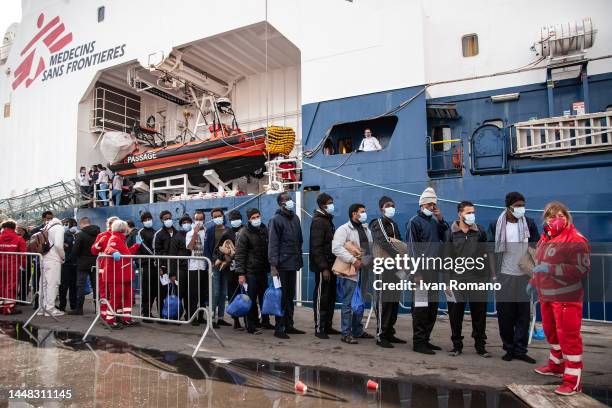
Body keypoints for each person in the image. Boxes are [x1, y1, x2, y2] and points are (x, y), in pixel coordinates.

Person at [531, 202, 590, 396]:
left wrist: (552, 269)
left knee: (568, 337)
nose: (555, 219)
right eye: (550, 216)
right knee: (552, 332)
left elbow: (581, 269)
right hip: (547, 295)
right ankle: (556, 366)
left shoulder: (575, 239)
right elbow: (541, 263)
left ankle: (573, 381)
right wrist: (534, 281)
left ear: (567, 217)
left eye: (559, 215)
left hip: (566, 297)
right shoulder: (546, 237)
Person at [488, 191, 539, 364]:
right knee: (506, 315)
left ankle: (520, 350)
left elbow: (535, 249)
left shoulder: (529, 224)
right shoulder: (496, 224)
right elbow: (490, 252)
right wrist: (494, 276)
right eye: (518, 206)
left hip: (524, 276)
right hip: (504, 276)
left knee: (523, 315)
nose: (521, 209)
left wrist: (535, 273)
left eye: (523, 205)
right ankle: (508, 348)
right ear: (509, 207)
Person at [444, 201, 490, 358]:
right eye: (468, 212)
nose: (472, 215)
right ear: (460, 214)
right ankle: (457, 345)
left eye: (473, 212)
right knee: (455, 315)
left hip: (477, 280)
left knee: (480, 314)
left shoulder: (480, 231)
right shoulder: (450, 233)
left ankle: (480, 346)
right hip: (457, 280)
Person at [406, 187, 449, 354]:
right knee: (421, 308)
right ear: (423, 204)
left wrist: (441, 219)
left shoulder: (433, 222)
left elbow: (445, 236)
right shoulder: (414, 222)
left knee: (432, 307)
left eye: (434, 204)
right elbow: (412, 250)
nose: (433, 207)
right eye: (431, 204)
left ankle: (426, 339)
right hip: (421, 274)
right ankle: (418, 342)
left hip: (433, 272)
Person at [332, 203, 374, 344]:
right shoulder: (343, 229)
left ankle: (357, 330)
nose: (364, 214)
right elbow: (336, 248)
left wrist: (370, 261)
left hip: (364, 270)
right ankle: (346, 333)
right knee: (348, 302)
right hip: (350, 271)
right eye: (362, 211)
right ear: (354, 214)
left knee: (360, 301)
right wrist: (352, 260)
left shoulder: (366, 229)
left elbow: (369, 248)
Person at [370, 196, 406, 348]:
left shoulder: (394, 224)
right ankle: (381, 335)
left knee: (393, 300)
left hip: (396, 267)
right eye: (388, 205)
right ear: (381, 208)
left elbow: (400, 242)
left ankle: (390, 332)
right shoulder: (377, 223)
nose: (391, 208)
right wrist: (398, 256)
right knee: (384, 300)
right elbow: (385, 242)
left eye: (393, 205)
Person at [268, 192, 305, 339]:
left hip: (292, 263)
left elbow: (299, 240)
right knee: (281, 297)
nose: (290, 201)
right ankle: (279, 327)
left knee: (290, 296)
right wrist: (273, 265)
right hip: (281, 265)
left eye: (290, 199)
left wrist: (298, 259)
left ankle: (289, 325)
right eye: (287, 200)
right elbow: (273, 243)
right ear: (280, 203)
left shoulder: (295, 218)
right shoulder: (275, 220)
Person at [235, 208, 273, 334]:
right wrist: (241, 273)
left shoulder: (264, 230)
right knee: (250, 299)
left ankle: (265, 321)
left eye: (257, 216)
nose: (256, 219)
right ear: (249, 219)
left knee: (264, 297)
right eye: (253, 217)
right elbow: (240, 254)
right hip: (250, 271)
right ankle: (250, 325)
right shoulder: (244, 233)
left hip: (262, 270)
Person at [309, 192, 339, 339]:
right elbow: (317, 247)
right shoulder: (319, 221)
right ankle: (319, 327)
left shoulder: (327, 220)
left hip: (331, 265)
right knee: (322, 296)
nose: (332, 205)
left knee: (331, 296)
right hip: (324, 267)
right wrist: (324, 268)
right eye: (330, 202)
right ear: (322, 205)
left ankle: (328, 325)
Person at [103, 220, 141, 329]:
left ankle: (125, 317)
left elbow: (126, 253)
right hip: (117, 275)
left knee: (126, 296)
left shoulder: (120, 239)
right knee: (116, 297)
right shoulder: (115, 239)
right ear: (123, 229)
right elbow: (109, 249)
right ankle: (110, 320)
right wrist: (113, 252)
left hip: (123, 274)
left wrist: (136, 245)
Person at [218, 210, 244, 330]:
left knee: (246, 294)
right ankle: (236, 320)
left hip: (245, 267)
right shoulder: (227, 233)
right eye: (232, 219)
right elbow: (218, 250)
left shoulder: (246, 230)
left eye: (237, 218)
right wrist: (226, 255)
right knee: (233, 294)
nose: (235, 221)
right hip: (232, 269)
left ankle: (249, 320)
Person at [205, 208, 231, 327]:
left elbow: (231, 246)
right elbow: (207, 249)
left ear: (223, 216)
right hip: (214, 265)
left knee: (223, 292)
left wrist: (227, 259)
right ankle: (212, 318)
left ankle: (220, 318)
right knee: (215, 292)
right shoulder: (210, 231)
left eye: (219, 216)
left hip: (225, 264)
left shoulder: (228, 230)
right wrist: (210, 263)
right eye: (214, 216)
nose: (217, 218)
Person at [68, 217, 100, 315]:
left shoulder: (80, 235)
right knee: (96, 286)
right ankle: (97, 308)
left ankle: (79, 309)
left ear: (81, 224)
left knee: (80, 286)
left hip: (82, 263)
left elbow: (75, 250)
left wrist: (71, 258)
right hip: (96, 262)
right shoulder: (98, 233)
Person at [91, 216, 120, 323]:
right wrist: (99, 243)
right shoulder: (102, 235)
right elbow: (93, 251)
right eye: (111, 223)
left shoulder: (119, 236)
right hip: (103, 269)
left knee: (115, 294)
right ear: (108, 224)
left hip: (116, 270)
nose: (113, 225)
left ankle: (113, 315)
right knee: (104, 294)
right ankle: (104, 316)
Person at [186, 210, 208, 326]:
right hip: (193, 267)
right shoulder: (189, 233)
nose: (199, 221)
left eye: (201, 219)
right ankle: (192, 316)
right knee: (193, 293)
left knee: (203, 293)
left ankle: (201, 316)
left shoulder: (206, 232)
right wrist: (195, 234)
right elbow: (189, 248)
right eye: (197, 219)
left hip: (204, 266)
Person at [153, 210, 177, 320]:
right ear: (162, 220)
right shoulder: (159, 234)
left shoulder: (177, 233)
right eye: (165, 218)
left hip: (176, 267)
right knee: (162, 293)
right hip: (164, 267)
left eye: (169, 218)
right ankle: (162, 316)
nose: (168, 220)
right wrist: (160, 267)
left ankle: (174, 315)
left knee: (175, 292)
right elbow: (156, 252)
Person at [0, 220, 27, 315]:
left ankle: (1, 306)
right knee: (11, 286)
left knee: (1, 285)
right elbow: (23, 255)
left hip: (0, 265)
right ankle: (9, 307)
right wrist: (24, 266)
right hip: (12, 266)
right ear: (14, 228)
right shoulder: (19, 239)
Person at [40, 217, 65, 316]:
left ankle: (42, 308)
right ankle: (50, 309)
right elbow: (58, 245)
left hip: (43, 257)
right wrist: (63, 256)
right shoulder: (59, 227)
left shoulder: (47, 226)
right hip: (53, 259)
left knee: (43, 284)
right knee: (53, 284)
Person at [170, 214, 192, 320]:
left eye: (188, 222)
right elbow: (172, 256)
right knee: (180, 293)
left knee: (190, 294)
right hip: (180, 269)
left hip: (191, 268)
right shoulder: (177, 236)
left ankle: (190, 315)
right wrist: (172, 274)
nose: (186, 224)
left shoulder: (193, 235)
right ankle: (177, 316)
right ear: (181, 224)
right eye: (184, 222)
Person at [136, 212, 157, 319]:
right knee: (146, 289)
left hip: (156, 264)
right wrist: (141, 261)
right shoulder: (140, 233)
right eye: (145, 219)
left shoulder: (156, 231)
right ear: (142, 221)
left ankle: (151, 311)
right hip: (146, 264)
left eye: (149, 218)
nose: (148, 221)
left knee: (154, 289)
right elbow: (137, 248)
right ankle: (145, 312)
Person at [58, 218, 78, 312]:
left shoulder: (77, 235)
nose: (66, 226)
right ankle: (62, 306)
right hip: (66, 264)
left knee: (73, 286)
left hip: (74, 264)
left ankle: (73, 306)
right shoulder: (64, 235)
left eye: (67, 224)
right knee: (64, 286)